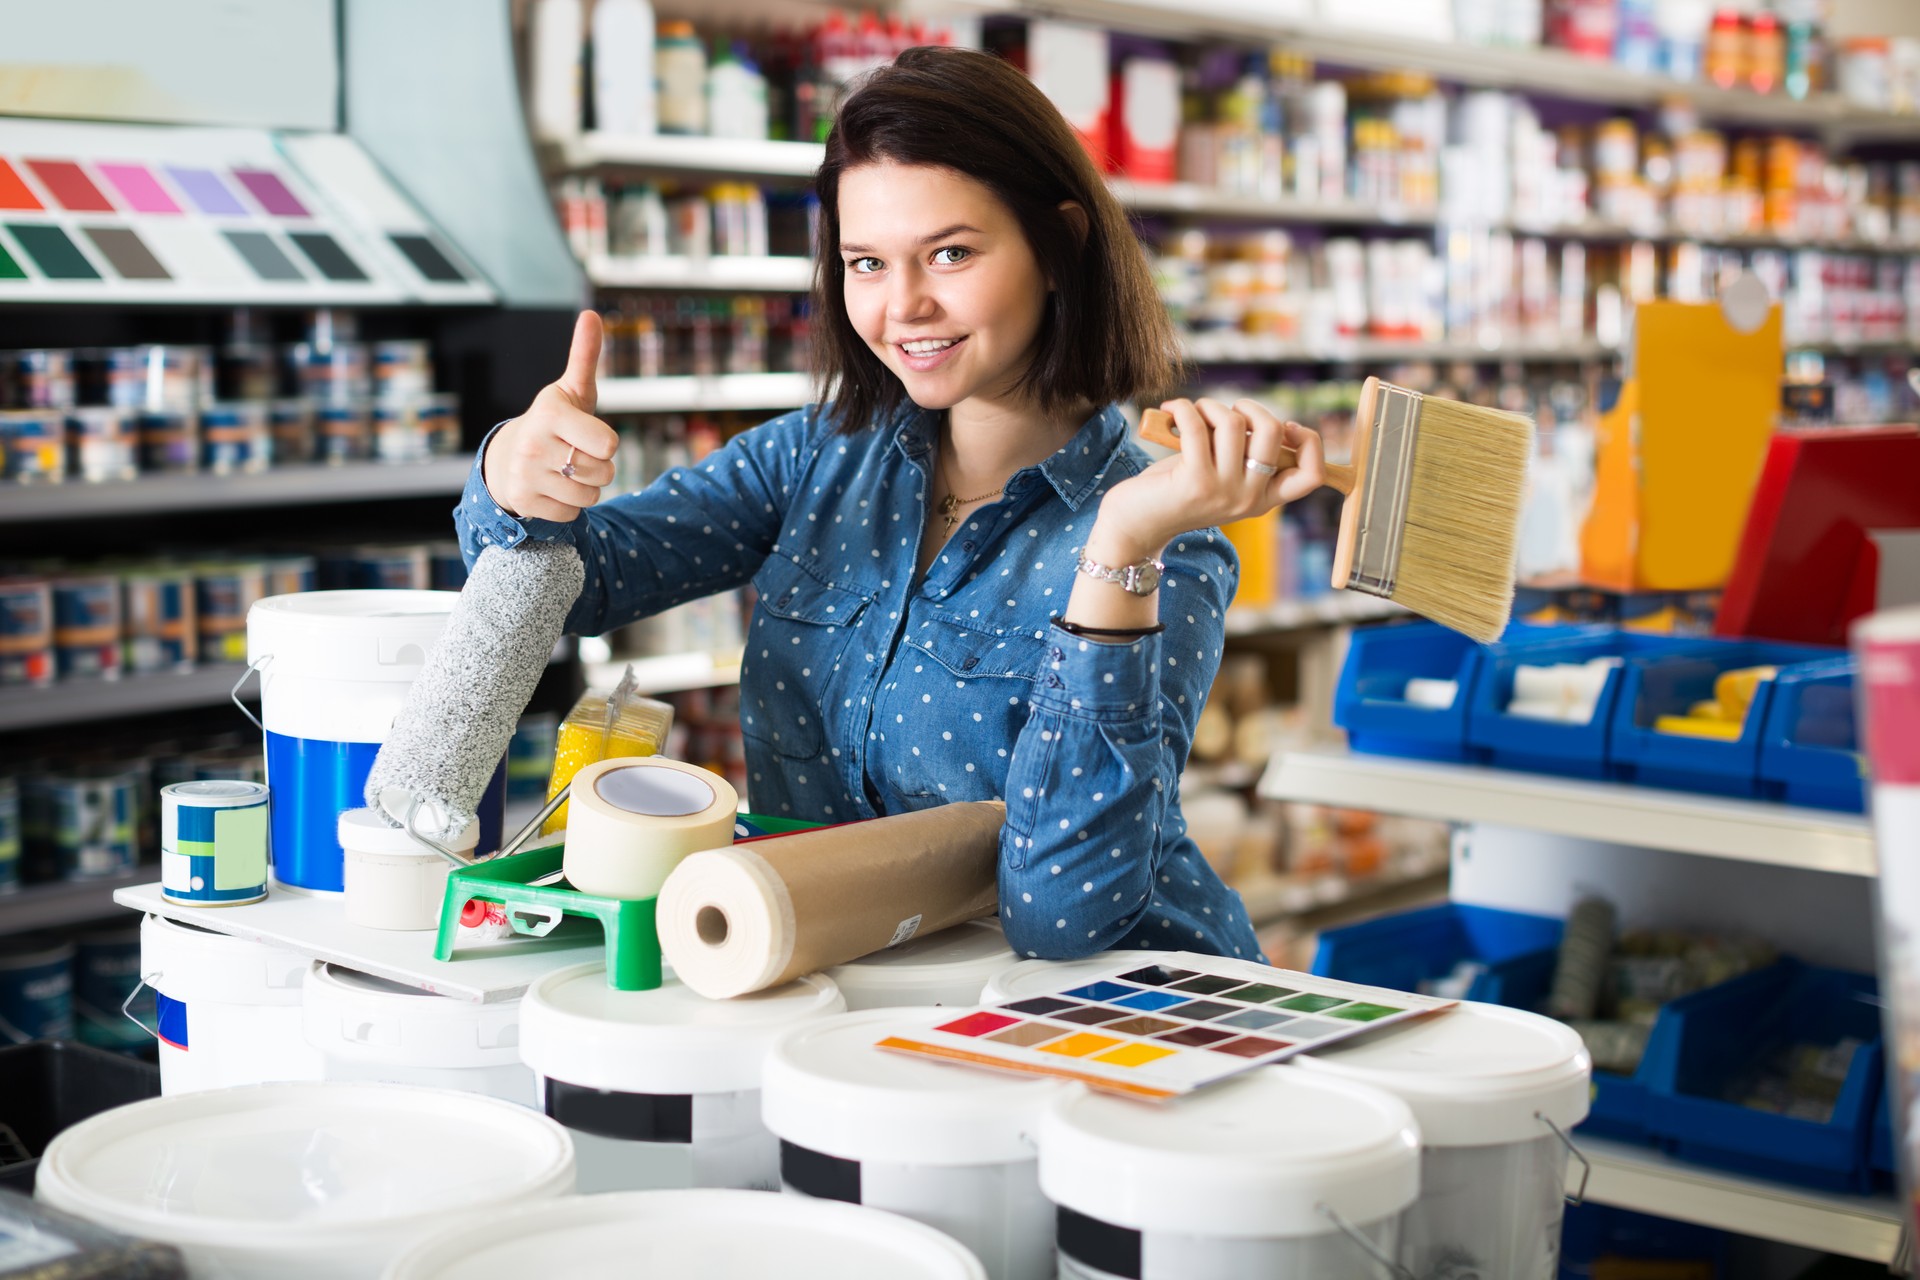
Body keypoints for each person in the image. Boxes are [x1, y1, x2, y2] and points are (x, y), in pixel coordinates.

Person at [456, 46, 1325, 961]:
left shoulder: (1167, 539)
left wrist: (1124, 539)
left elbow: (1061, 916)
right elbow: (575, 590)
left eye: (950, 253)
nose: (903, 305)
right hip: (862, 981)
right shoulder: (815, 457)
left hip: (1118, 1014)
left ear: (1060, 245)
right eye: (865, 262)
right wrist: (518, 485)